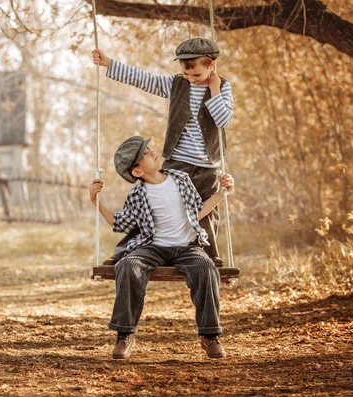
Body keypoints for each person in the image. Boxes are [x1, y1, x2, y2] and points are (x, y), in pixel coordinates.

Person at [89, 135, 234, 360]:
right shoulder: (138, 194)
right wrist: (96, 202)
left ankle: (210, 335)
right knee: (128, 265)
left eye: (148, 148)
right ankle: (124, 334)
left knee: (206, 268)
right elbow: (119, 223)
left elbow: (196, 211)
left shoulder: (181, 179)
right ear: (137, 171)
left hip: (187, 246)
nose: (152, 152)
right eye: (145, 154)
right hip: (152, 247)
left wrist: (221, 193)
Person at [92, 37, 234, 267]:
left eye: (196, 75)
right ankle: (122, 253)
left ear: (211, 66)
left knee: (207, 211)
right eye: (186, 74)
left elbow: (223, 119)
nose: (190, 79)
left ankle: (210, 256)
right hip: (177, 163)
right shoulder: (177, 84)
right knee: (149, 203)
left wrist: (214, 88)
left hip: (207, 166)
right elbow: (144, 79)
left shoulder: (223, 87)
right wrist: (110, 63)